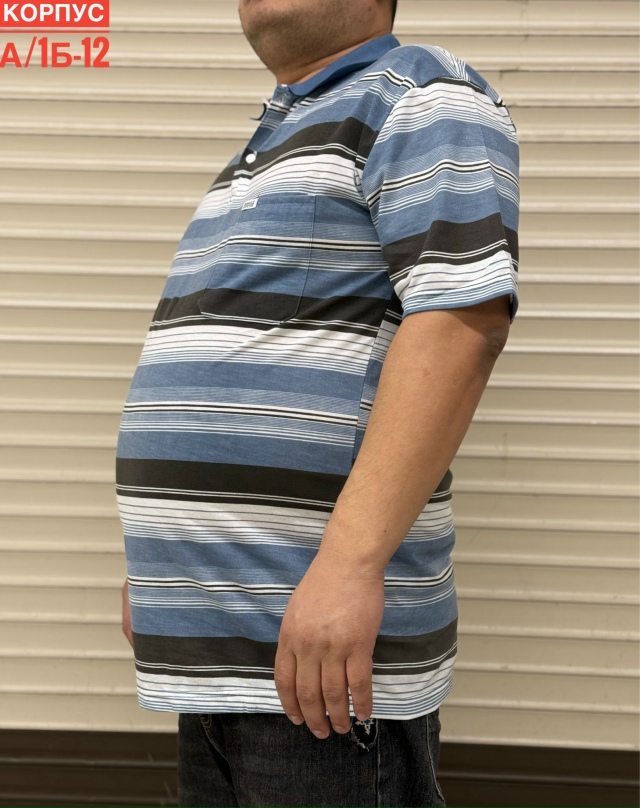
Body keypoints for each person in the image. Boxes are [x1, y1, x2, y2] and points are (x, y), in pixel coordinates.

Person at [118, 0, 519, 805]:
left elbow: (460, 325)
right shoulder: (275, 137)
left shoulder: (419, 93)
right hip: (219, 652)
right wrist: (166, 570)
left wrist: (349, 565)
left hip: (317, 659)